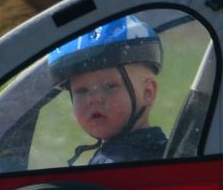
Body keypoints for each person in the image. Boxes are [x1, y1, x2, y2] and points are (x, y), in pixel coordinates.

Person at [47, 15, 167, 166]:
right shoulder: (163, 148)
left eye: (110, 86)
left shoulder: (116, 162)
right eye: (82, 91)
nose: (93, 98)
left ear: (148, 92)